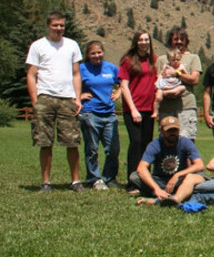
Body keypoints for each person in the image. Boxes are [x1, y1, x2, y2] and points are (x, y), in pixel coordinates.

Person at [26, 11, 84, 192]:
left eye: (62, 25)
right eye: (55, 25)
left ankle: (75, 181)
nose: (59, 29)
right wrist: (36, 100)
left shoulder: (72, 45)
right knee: (45, 142)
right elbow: (31, 74)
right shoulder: (38, 46)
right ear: (48, 26)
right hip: (45, 97)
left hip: (67, 98)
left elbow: (76, 73)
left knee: (72, 141)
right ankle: (46, 182)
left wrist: (77, 97)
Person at [129, 116, 205, 204]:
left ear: (179, 130)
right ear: (162, 131)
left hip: (180, 180)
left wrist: (177, 175)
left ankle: (166, 195)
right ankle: (165, 193)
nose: (172, 133)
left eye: (175, 130)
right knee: (135, 176)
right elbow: (141, 168)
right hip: (160, 181)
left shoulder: (186, 142)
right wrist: (156, 188)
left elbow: (199, 165)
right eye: (169, 130)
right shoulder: (155, 145)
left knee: (199, 176)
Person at [79, 40, 122, 190]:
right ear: (88, 55)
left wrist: (118, 92)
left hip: (109, 113)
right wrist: (79, 95)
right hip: (90, 113)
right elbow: (71, 84)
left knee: (113, 149)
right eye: (93, 53)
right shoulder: (82, 68)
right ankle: (94, 179)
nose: (96, 56)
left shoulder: (110, 68)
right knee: (92, 148)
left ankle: (109, 178)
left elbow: (124, 81)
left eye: (99, 52)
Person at [119, 30, 157, 193]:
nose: (144, 42)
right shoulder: (128, 61)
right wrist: (133, 109)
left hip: (149, 109)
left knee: (147, 145)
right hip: (133, 109)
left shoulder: (153, 60)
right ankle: (133, 182)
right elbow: (124, 86)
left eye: (146, 39)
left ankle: (146, 181)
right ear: (136, 42)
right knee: (136, 143)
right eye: (141, 40)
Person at [155, 26, 202, 141]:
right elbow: (158, 80)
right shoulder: (162, 60)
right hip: (166, 108)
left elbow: (194, 80)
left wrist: (176, 73)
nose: (179, 42)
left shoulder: (193, 58)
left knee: (187, 142)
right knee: (165, 142)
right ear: (171, 40)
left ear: (186, 41)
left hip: (186, 107)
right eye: (176, 39)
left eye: (182, 39)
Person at [152, 48, 186, 119]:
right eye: (173, 60)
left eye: (178, 60)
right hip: (165, 84)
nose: (176, 62)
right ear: (169, 59)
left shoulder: (181, 67)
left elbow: (186, 75)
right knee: (158, 97)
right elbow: (161, 74)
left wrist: (177, 72)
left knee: (183, 88)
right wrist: (157, 82)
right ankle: (155, 112)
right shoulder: (166, 66)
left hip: (175, 85)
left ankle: (167, 93)